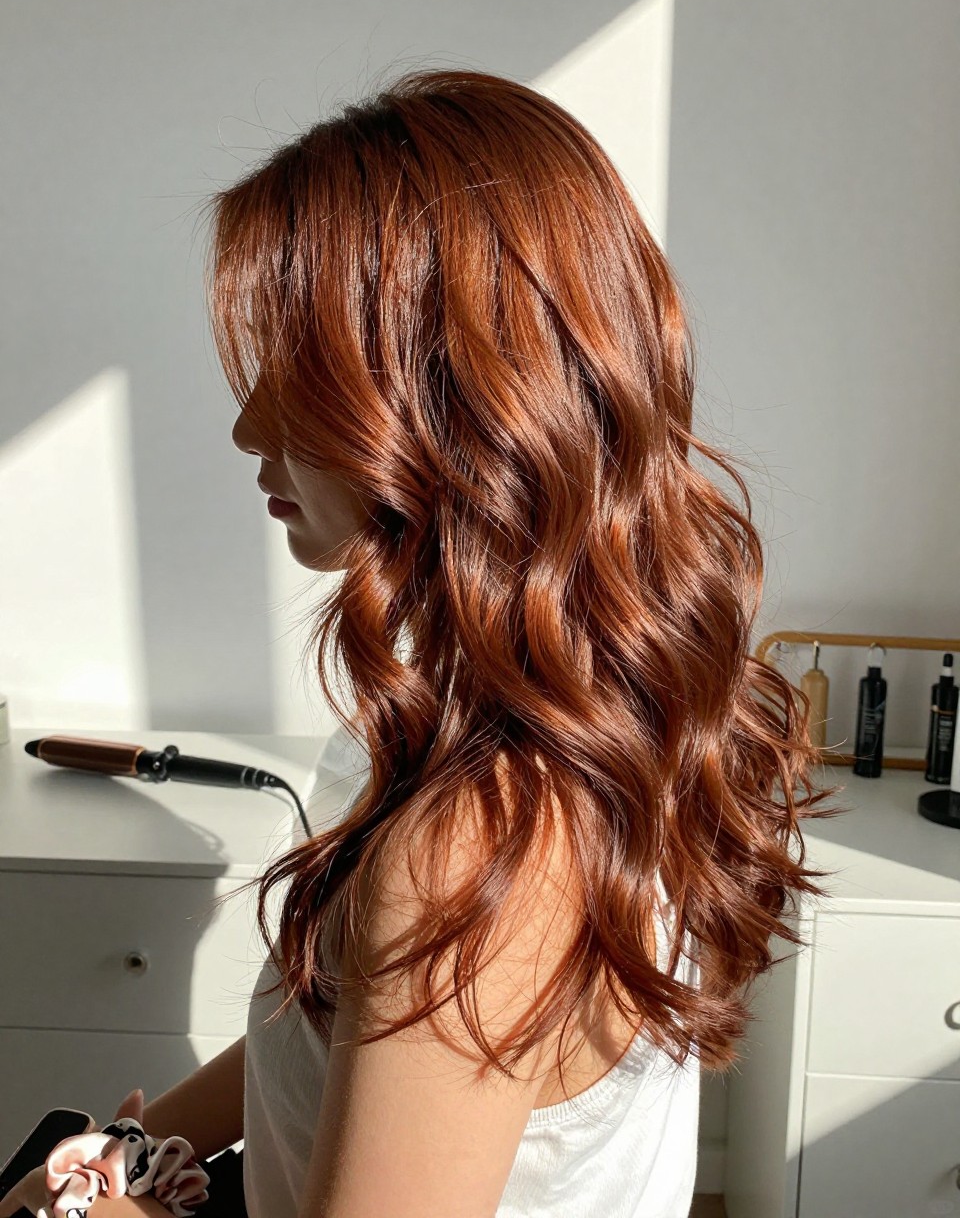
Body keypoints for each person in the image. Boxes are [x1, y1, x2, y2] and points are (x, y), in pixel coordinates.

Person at [4, 66, 844, 1218]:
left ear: (453, 401)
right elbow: (354, 1042)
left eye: (301, 375)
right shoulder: (567, 710)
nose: (250, 424)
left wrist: (72, 1209)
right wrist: (138, 1138)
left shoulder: (477, 846)